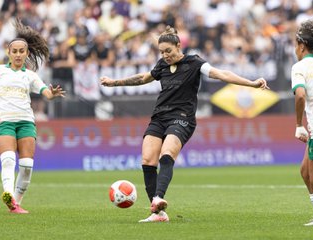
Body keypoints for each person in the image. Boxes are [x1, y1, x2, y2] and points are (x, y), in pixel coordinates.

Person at [100, 25, 269, 223]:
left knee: (167, 153)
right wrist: (114, 82)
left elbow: (221, 73)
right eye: (162, 52)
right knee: (147, 160)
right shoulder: (162, 65)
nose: (165, 55)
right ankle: (158, 214)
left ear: (179, 46)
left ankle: (157, 198)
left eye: (168, 51)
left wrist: (251, 83)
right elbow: (143, 78)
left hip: (182, 117)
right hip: (159, 116)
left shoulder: (194, 62)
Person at [0, 19, 65, 214]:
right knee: (7, 160)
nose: (18, 54)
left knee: (27, 165)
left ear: (27, 53)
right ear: (8, 52)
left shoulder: (30, 75)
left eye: (22, 51)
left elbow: (45, 93)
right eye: (15, 51)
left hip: (26, 122)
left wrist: (52, 94)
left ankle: (16, 203)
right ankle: (9, 196)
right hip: (4, 121)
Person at [291, 18, 313, 226]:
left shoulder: (300, 67)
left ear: (302, 46)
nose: (295, 49)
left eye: (296, 45)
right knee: (305, 171)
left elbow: (301, 96)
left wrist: (298, 125)